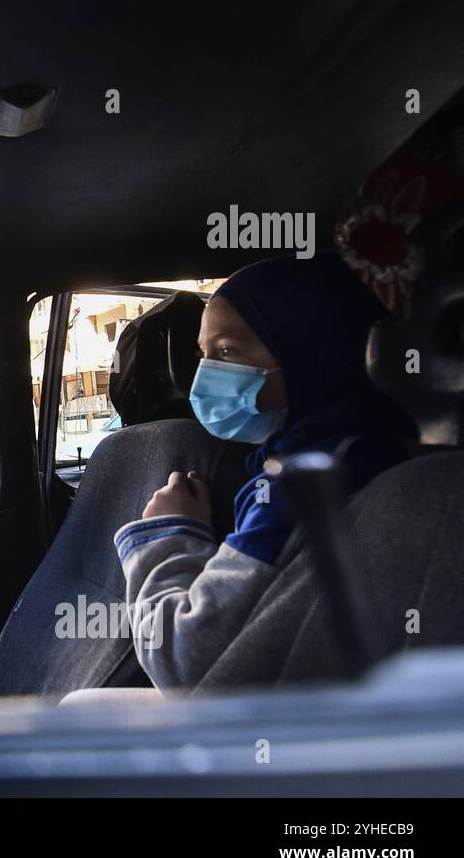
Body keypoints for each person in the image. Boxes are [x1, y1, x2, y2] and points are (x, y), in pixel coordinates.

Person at [112, 253, 414, 690]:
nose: (206, 375)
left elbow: (184, 661)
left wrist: (166, 535)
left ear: (308, 350)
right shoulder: (365, 444)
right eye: (205, 354)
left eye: (228, 351)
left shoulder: (306, 484)